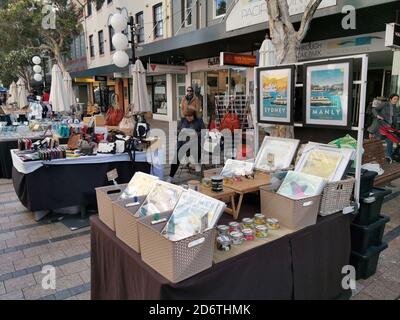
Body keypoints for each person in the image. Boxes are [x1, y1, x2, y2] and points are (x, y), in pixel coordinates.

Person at [167, 109, 205, 183]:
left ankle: (195, 163)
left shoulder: (199, 121)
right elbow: (177, 132)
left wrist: (194, 133)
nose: (188, 118)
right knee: (176, 158)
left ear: (194, 115)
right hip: (183, 144)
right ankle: (170, 177)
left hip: (196, 144)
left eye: (190, 116)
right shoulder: (183, 120)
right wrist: (181, 132)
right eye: (187, 116)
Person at [368, 94, 399, 162]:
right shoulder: (384, 104)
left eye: (397, 99)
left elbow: (395, 120)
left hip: (388, 128)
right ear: (390, 99)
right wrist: (377, 115)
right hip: (380, 127)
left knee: (390, 142)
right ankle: (371, 157)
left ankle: (389, 157)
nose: (396, 100)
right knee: (376, 142)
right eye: (394, 99)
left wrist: (396, 129)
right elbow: (374, 110)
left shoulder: (395, 108)